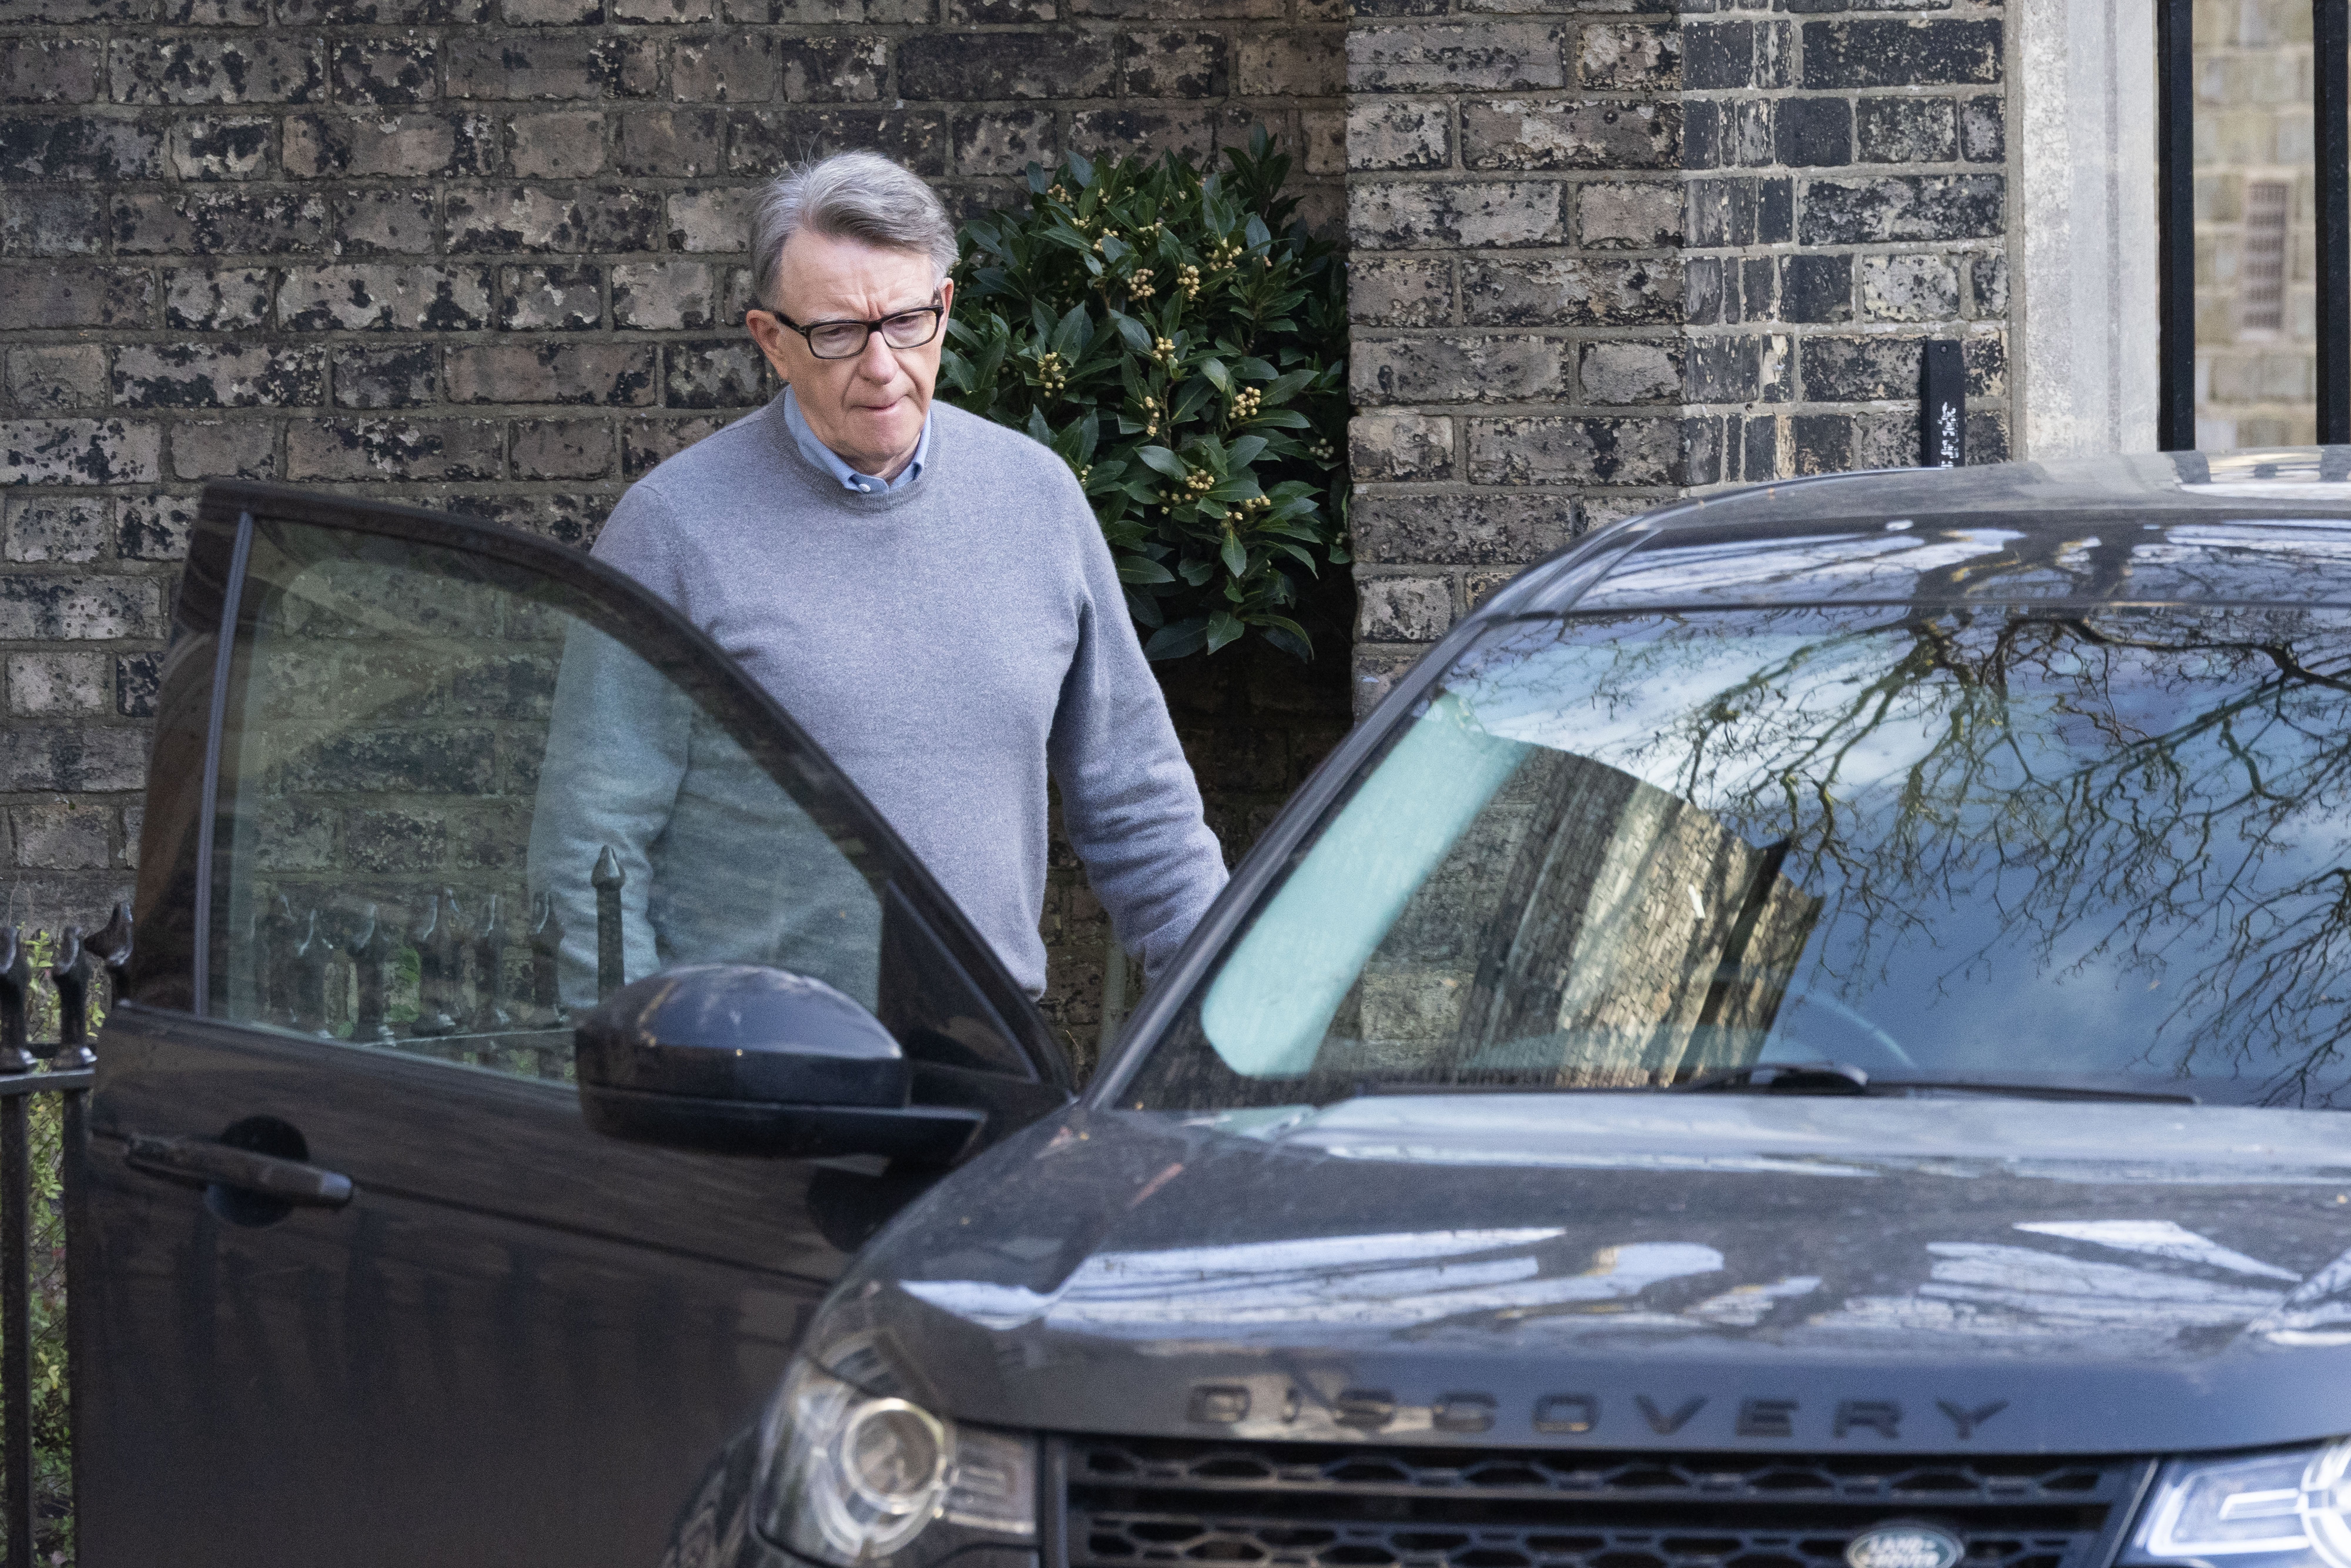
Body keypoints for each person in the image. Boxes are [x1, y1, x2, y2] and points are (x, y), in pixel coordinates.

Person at [525, 149, 1228, 1006]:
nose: (884, 365)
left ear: (945, 307)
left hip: (989, 1055)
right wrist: (643, 1062)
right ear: (772, 342)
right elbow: (590, 848)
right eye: (838, 333)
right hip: (754, 1067)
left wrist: (1226, 1029)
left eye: (906, 322)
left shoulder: (1038, 497)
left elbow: (1139, 808)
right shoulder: (673, 529)